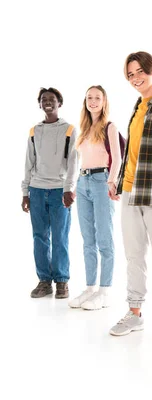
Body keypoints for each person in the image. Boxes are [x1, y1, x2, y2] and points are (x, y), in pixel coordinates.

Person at [109, 52, 152, 340]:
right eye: (130, 74)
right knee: (133, 255)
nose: (136, 78)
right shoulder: (137, 107)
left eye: (140, 72)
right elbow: (133, 150)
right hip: (129, 191)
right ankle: (134, 312)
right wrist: (117, 180)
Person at [68, 85, 122, 310]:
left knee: (104, 239)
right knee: (87, 239)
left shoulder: (109, 127)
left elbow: (117, 159)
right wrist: (74, 186)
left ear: (104, 101)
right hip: (83, 183)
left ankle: (104, 291)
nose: (93, 101)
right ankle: (90, 288)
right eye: (89, 97)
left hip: (102, 182)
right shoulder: (84, 129)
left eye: (97, 98)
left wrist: (112, 183)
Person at [22, 87, 78, 299]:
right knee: (39, 237)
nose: (48, 102)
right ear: (40, 104)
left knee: (60, 237)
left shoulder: (70, 130)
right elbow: (29, 162)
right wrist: (25, 191)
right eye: (44, 100)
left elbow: (74, 162)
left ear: (59, 103)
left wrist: (69, 189)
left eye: (52, 99)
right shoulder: (34, 131)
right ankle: (44, 281)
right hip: (36, 190)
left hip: (59, 192)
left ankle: (62, 281)